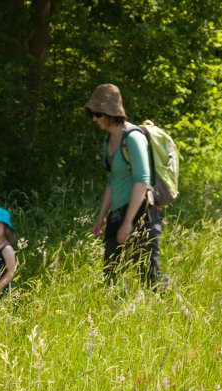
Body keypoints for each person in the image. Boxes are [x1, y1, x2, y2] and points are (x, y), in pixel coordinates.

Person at [86, 83, 164, 287]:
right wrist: (102, 216)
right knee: (111, 273)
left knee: (149, 273)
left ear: (110, 112)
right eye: (91, 114)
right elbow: (112, 181)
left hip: (142, 213)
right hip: (117, 213)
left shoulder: (134, 138)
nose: (94, 119)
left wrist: (129, 222)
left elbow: (142, 181)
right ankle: (114, 315)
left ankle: (185, 315)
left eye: (97, 113)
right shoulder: (108, 139)